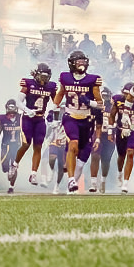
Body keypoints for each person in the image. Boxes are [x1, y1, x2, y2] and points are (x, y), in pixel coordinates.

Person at [52, 50, 102, 194]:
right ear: (72, 64)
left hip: (86, 120)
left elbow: (100, 104)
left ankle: (71, 186)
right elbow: (61, 93)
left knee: (81, 159)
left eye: (84, 62)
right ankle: (71, 180)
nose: (82, 65)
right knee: (72, 144)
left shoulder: (93, 79)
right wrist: (55, 106)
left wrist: (88, 102)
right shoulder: (65, 78)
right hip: (70, 117)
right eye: (79, 62)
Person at [11, 62, 55, 188]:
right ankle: (14, 164)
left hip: (40, 119)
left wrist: (55, 116)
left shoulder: (51, 87)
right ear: (36, 75)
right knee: (26, 143)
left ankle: (33, 174)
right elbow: (18, 101)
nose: (44, 80)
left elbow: (56, 102)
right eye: (42, 76)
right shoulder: (28, 84)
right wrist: (27, 110)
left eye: (46, 77)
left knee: (38, 147)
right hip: (27, 118)